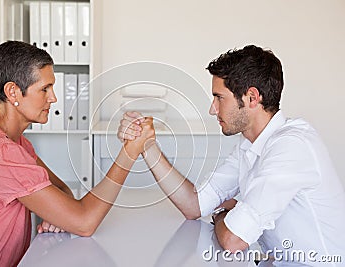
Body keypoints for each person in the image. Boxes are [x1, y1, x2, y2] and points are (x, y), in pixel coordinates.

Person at [118, 45, 345, 265]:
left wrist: (221, 217)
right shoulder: (249, 144)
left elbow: (233, 240)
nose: (212, 109)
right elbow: (194, 205)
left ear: (252, 98)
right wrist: (147, 147)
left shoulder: (291, 147)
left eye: (219, 97)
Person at [0, 40, 155, 267]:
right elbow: (84, 221)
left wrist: (56, 215)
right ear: (12, 91)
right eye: (44, 89)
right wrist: (130, 152)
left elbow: (61, 190)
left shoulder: (10, 141)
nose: (53, 98)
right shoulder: (1, 154)